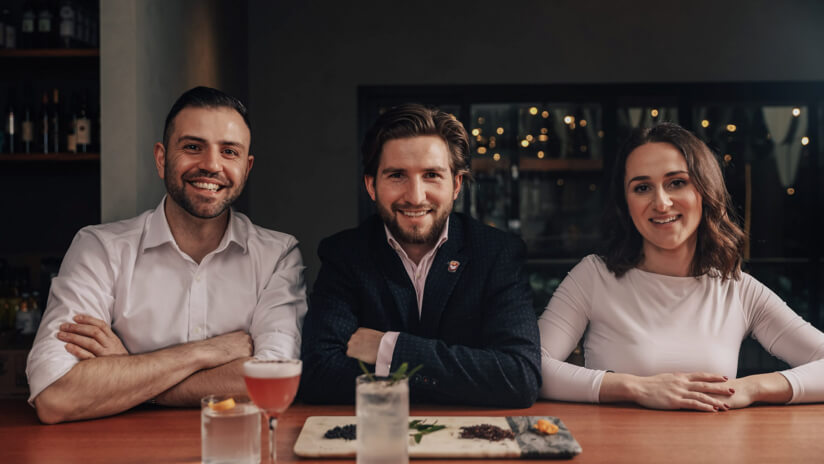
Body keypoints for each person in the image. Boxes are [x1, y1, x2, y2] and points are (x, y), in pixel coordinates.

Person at [26, 87, 307, 424]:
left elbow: (271, 383)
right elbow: (56, 395)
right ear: (161, 158)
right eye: (192, 147)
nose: (211, 165)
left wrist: (127, 368)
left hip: (238, 450)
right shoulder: (99, 249)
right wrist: (207, 352)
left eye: (229, 151)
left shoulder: (278, 255)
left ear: (246, 168)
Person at [538, 122, 824, 411]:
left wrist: (752, 387)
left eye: (677, 182)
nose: (661, 203)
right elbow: (529, 366)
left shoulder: (737, 289)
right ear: (626, 203)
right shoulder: (593, 277)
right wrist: (635, 387)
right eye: (642, 187)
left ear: (704, 190)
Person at [300, 104, 540, 407]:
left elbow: (518, 378)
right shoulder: (345, 255)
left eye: (431, 175)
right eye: (397, 175)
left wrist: (390, 349)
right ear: (372, 186)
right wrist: (464, 377)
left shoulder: (496, 253)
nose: (415, 196)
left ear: (456, 184)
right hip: (377, 439)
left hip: (471, 443)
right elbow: (318, 375)